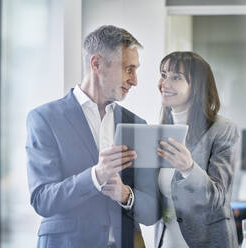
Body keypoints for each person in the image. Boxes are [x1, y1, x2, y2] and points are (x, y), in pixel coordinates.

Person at [26, 25, 156, 248]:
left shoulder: (137, 125)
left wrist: (125, 194)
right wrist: (96, 176)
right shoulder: (44, 119)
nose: (134, 80)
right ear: (96, 64)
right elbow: (42, 200)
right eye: (128, 69)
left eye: (135, 70)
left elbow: (152, 210)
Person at [154, 51, 240, 248]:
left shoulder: (223, 130)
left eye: (176, 77)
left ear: (196, 86)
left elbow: (218, 199)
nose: (165, 84)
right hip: (167, 241)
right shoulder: (159, 131)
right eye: (164, 75)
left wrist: (189, 169)